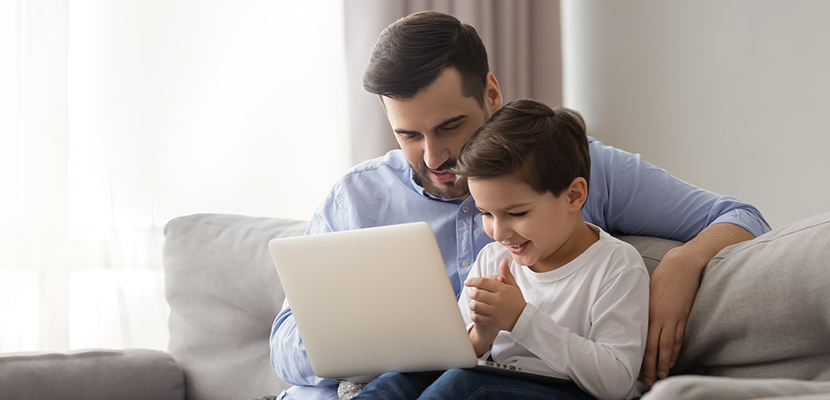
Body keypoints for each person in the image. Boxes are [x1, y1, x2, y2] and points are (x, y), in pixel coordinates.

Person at [269, 11, 770, 400]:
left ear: (491, 93)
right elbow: (285, 346)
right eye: (408, 135)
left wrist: (681, 264)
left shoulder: (575, 165)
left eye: (449, 127)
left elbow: (741, 216)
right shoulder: (357, 198)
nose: (435, 156)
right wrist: (379, 343)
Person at [349, 99, 648, 400]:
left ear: (573, 195)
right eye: (487, 214)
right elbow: (457, 352)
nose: (499, 232)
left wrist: (521, 320)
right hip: (497, 377)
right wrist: (481, 336)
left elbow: (617, 381)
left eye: (517, 214)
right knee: (396, 382)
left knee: (465, 387)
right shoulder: (494, 258)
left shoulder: (616, 265)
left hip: (570, 392)